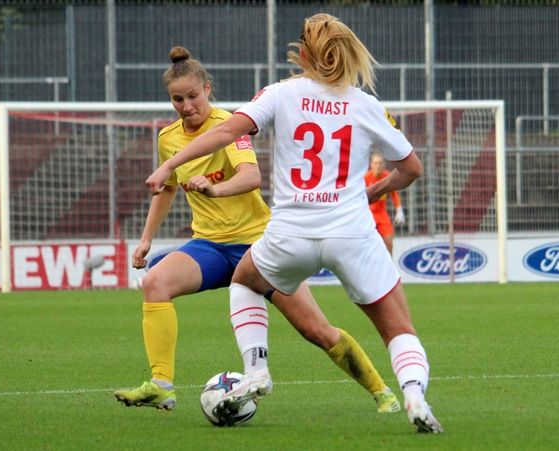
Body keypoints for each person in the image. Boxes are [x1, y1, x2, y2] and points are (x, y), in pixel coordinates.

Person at [146, 15, 443, 434]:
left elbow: (229, 130)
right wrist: (370, 194)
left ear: (303, 53)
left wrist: (171, 165)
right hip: (352, 234)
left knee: (246, 281)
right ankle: (414, 395)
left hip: (290, 235)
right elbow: (411, 169)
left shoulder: (281, 94)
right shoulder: (367, 105)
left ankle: (256, 371)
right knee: (398, 329)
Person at [114, 46, 400, 415]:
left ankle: (382, 393)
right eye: (177, 99)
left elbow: (251, 177)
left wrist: (214, 188)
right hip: (210, 247)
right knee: (155, 283)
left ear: (208, 89)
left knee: (316, 330)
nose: (186, 106)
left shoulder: (229, 126)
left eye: (192, 96)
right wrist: (146, 239)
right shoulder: (168, 139)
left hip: (259, 246)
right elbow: (166, 187)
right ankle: (162, 385)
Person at [364, 152, 405, 254]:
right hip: (368, 215)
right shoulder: (365, 178)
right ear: (371, 165)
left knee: (389, 243)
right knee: (365, 245)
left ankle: (389, 267)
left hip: (382, 214)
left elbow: (394, 195)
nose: (377, 166)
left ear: (384, 165)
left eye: (380, 163)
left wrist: (399, 211)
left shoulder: (387, 177)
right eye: (375, 163)